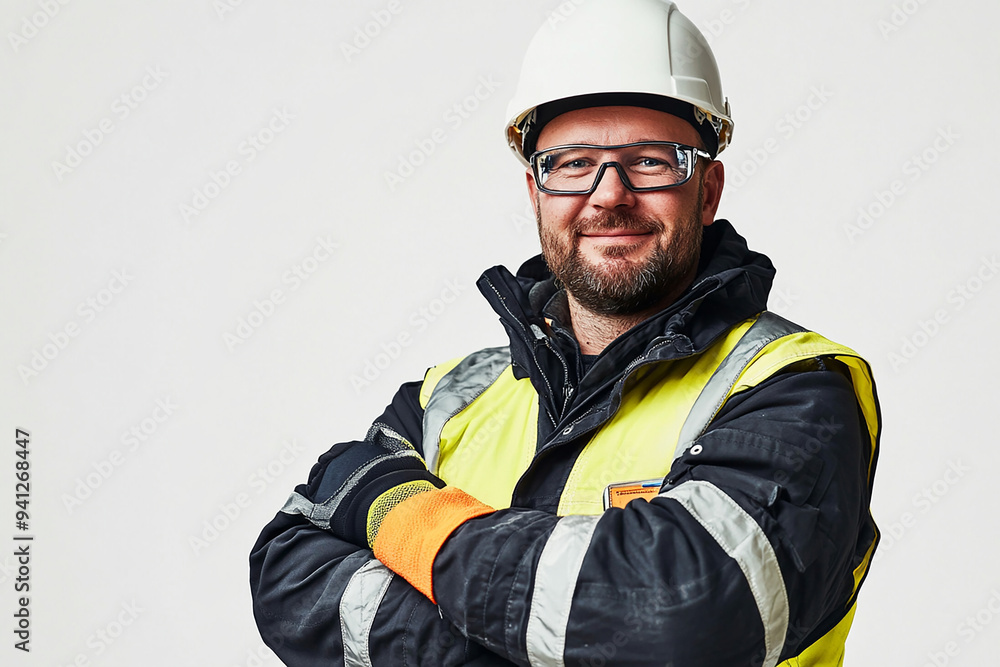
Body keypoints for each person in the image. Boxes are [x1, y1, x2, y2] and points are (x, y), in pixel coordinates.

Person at [249, 1, 881, 665]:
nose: (608, 194)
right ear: (535, 191)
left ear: (709, 187)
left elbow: (679, 615)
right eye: (574, 162)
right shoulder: (447, 401)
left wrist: (395, 512)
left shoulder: (798, 393)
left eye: (651, 159)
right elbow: (289, 575)